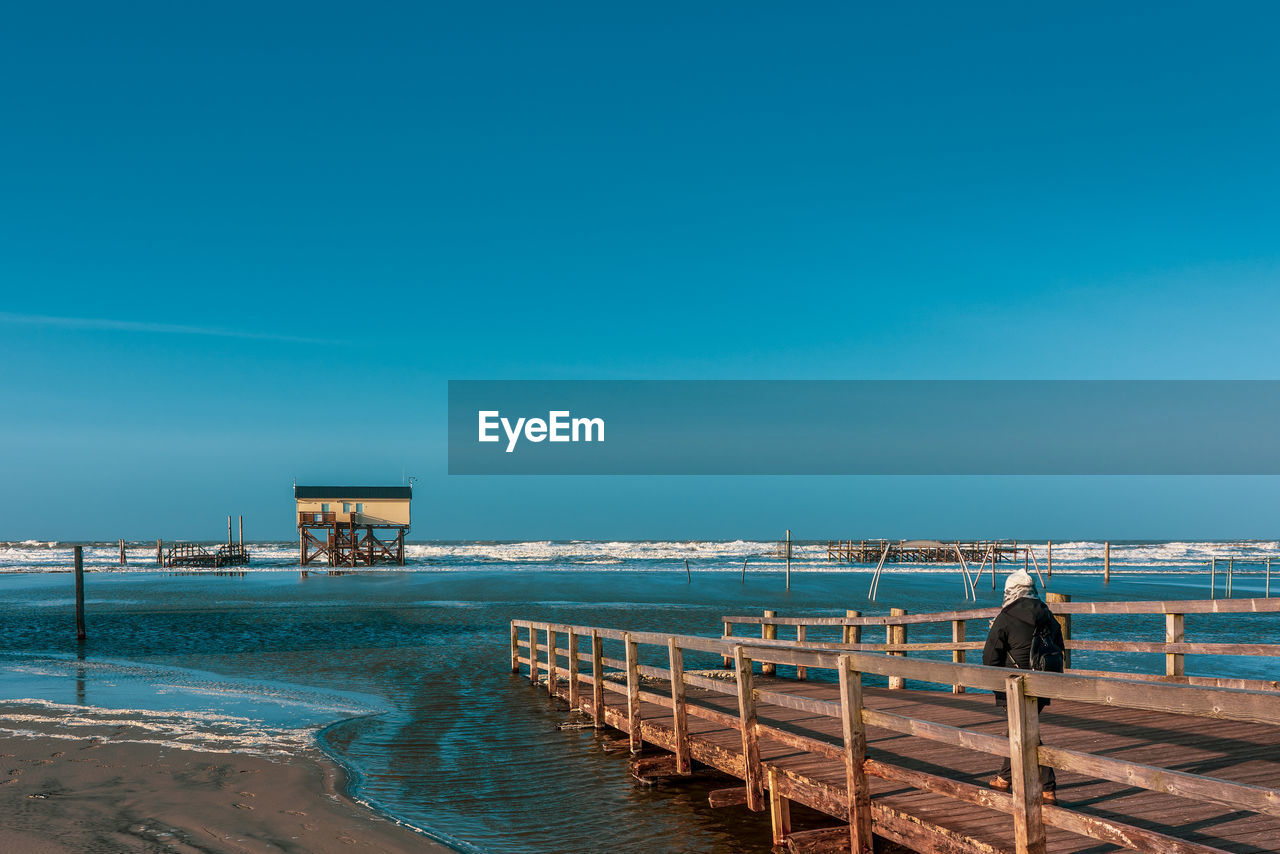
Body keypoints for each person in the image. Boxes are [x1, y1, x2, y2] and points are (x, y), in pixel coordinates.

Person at [982, 568, 1063, 803]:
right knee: (1020, 730)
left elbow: (990, 657)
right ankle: (1005, 778)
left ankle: (1047, 786)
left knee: (1026, 733)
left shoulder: (1005, 617)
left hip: (1015, 683)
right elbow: (1058, 645)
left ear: (1010, 591)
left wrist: (996, 685)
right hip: (1045, 681)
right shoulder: (1047, 613)